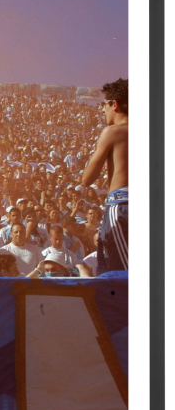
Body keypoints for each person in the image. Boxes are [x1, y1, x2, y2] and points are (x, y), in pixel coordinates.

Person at [81, 78, 128, 273]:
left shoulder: (113, 132)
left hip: (121, 206)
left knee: (121, 274)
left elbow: (87, 178)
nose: (103, 110)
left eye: (104, 105)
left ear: (114, 104)